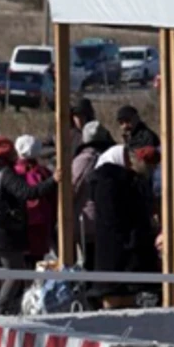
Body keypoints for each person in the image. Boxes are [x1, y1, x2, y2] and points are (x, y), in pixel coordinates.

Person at [0, 137, 60, 315]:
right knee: (16, 272)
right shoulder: (6, 174)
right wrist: (53, 180)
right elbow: (28, 193)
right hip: (5, 233)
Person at [90, 144, 159, 309]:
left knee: (120, 293)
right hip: (119, 246)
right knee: (115, 295)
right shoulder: (110, 181)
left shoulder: (121, 180)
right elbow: (113, 215)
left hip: (119, 246)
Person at [72, 120, 116, 270]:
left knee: (90, 260)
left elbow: (73, 186)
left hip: (87, 218)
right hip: (102, 216)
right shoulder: (109, 156)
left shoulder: (85, 159)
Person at [14, 134, 55, 269]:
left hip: (18, 223)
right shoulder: (45, 173)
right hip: (40, 224)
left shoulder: (11, 172)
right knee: (37, 262)